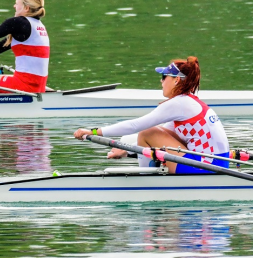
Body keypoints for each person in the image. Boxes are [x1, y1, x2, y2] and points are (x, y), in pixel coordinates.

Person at [73, 57, 230, 174]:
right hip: (216, 164)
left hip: (205, 166)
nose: (161, 81)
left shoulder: (179, 104)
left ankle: (146, 182)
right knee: (141, 136)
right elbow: (162, 136)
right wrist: (127, 151)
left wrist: (94, 132)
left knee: (146, 133)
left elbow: (135, 125)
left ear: (176, 80)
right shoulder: (188, 102)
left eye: (164, 77)